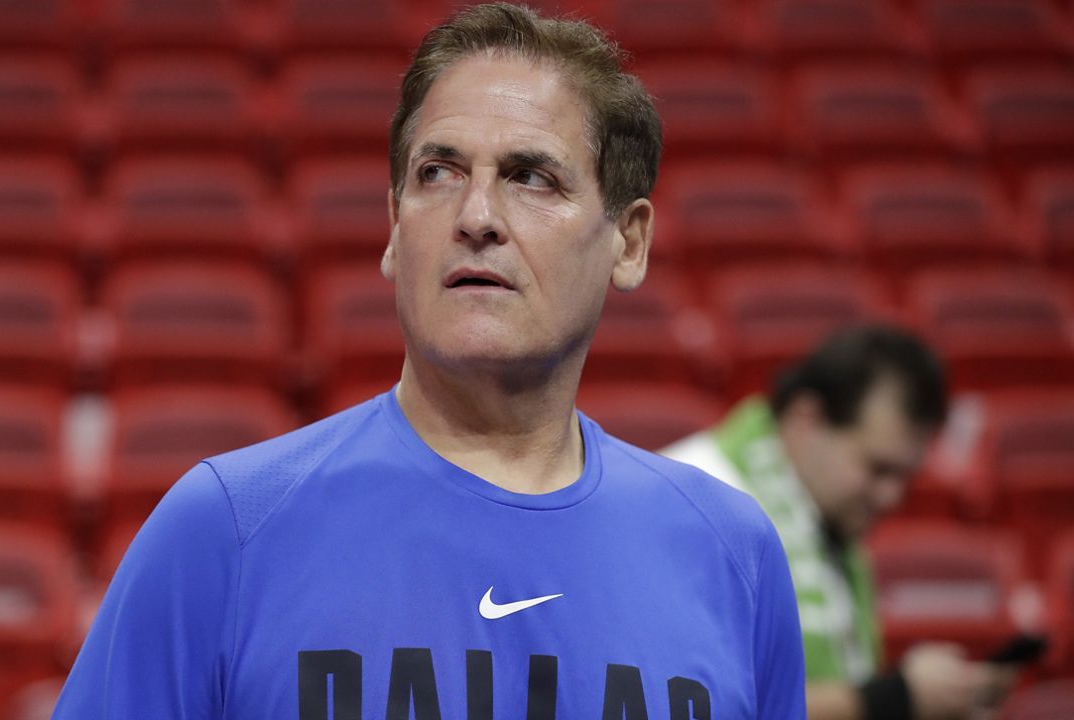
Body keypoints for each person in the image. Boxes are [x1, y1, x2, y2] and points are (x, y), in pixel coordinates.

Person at [54, 4, 805, 717]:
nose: (475, 217)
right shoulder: (225, 528)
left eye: (530, 177)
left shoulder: (732, 554)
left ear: (629, 242)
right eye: (437, 174)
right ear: (392, 226)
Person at [664, 325, 1014, 720]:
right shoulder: (689, 499)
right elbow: (683, 699)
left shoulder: (825, 519)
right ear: (806, 418)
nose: (891, 497)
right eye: (877, 468)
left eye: (904, 477)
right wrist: (889, 699)